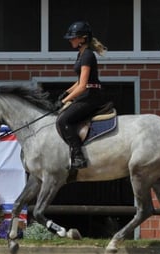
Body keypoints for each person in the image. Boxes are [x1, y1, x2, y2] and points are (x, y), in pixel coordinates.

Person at [56, 21, 107, 169]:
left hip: (91, 96)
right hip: (87, 93)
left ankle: (78, 156)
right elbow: (79, 82)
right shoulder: (81, 54)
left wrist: (66, 100)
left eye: (73, 38)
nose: (71, 40)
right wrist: (66, 93)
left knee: (63, 120)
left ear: (83, 39)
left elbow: (83, 86)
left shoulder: (87, 56)